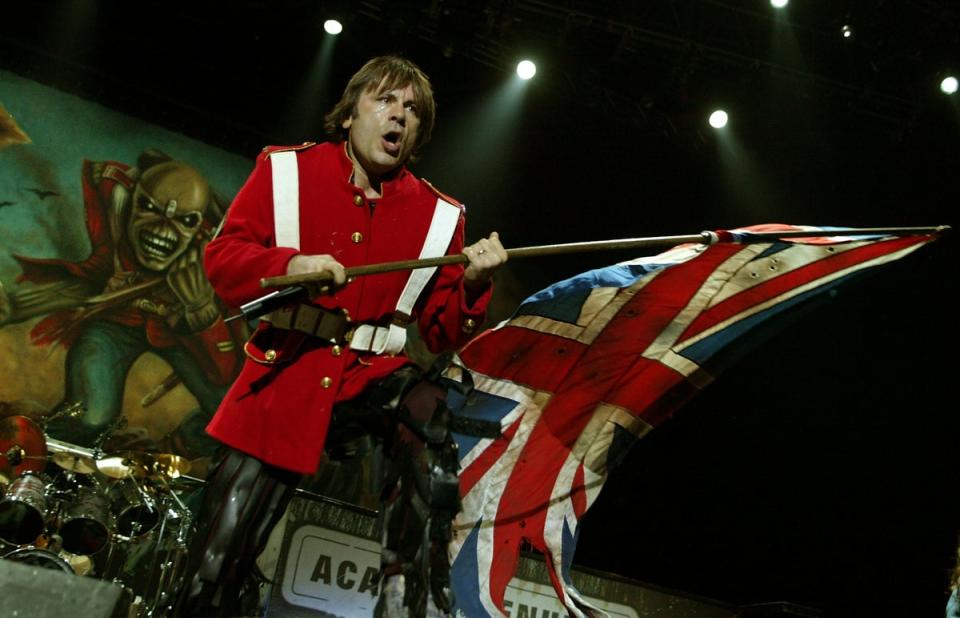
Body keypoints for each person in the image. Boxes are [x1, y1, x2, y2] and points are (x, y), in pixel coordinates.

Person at [175, 55, 507, 617]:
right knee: (221, 549)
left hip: (377, 381)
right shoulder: (284, 171)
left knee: (429, 412)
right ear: (349, 113)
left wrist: (474, 283)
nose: (398, 117)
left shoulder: (440, 215)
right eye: (384, 101)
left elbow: (440, 328)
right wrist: (293, 263)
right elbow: (223, 258)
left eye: (412, 111)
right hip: (290, 370)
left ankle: (413, 600)